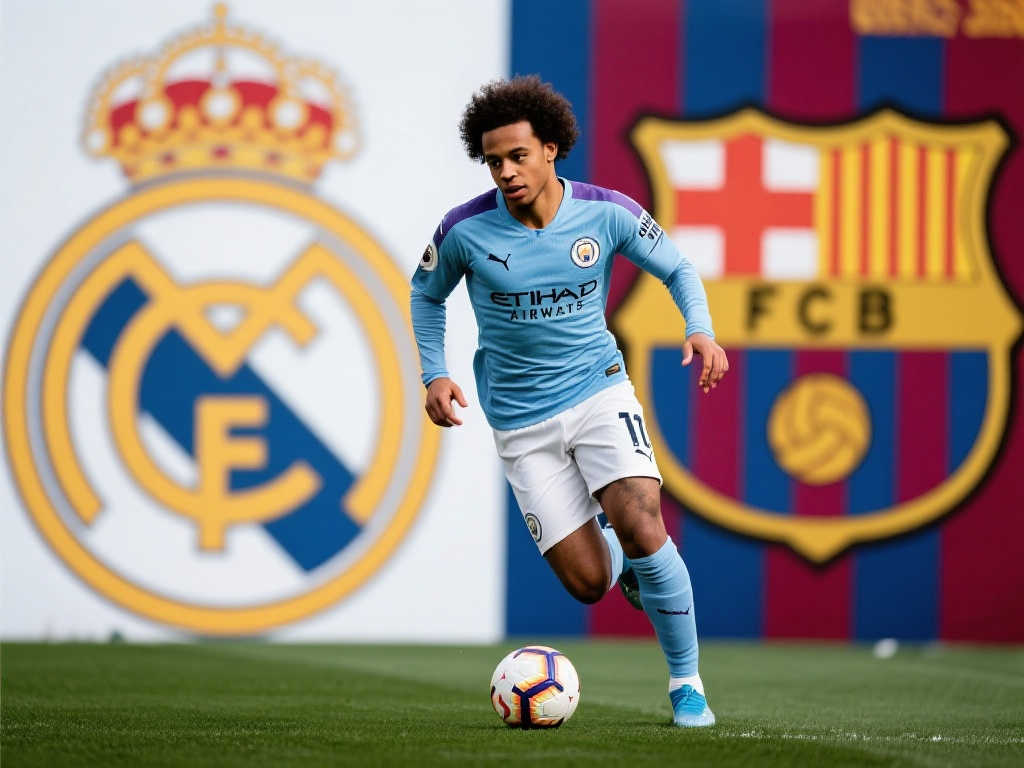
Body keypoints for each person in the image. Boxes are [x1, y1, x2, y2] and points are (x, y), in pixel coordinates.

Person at [409, 76, 728, 727]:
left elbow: (677, 268)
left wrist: (699, 328)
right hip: (521, 423)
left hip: (598, 391)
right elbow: (425, 294)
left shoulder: (606, 213)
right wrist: (434, 374)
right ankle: (625, 562)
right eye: (493, 161)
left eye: (517, 156)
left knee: (644, 521)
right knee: (588, 583)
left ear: (551, 149)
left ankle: (687, 685)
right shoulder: (464, 230)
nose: (505, 172)